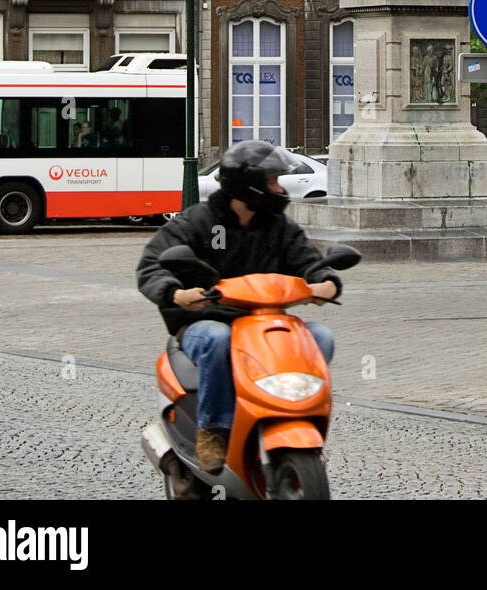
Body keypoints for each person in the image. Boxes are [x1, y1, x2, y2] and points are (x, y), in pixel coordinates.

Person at [137, 140, 341, 474]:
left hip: (262, 322)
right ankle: (213, 430)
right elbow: (151, 265)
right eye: (273, 181)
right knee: (218, 340)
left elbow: (308, 261)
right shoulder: (196, 221)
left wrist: (325, 281)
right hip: (205, 321)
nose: (280, 188)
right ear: (251, 187)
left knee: (320, 337)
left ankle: (298, 418)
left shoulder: (278, 226)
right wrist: (175, 293)